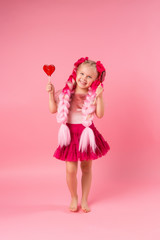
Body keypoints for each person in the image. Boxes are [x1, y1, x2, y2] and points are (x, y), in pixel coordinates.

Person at [46, 57, 110, 213]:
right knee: (70, 169)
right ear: (75, 73)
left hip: (86, 133)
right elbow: (53, 110)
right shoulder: (66, 93)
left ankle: (84, 199)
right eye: (82, 74)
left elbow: (100, 114)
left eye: (89, 76)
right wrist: (51, 94)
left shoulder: (94, 94)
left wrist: (100, 97)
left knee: (87, 167)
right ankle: (74, 197)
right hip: (70, 134)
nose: (84, 78)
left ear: (95, 80)